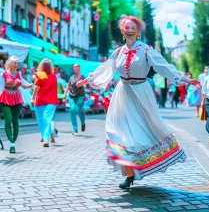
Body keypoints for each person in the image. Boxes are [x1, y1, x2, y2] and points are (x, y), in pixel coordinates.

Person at [76, 15, 200, 189]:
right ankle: (129, 174)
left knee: (143, 130)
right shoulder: (118, 52)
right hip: (122, 92)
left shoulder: (146, 50)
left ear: (138, 31)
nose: (129, 29)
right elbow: (105, 68)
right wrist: (87, 80)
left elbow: (164, 67)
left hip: (140, 92)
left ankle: (146, 163)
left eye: (133, 27)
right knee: (117, 131)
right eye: (126, 26)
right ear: (122, 30)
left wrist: (186, 80)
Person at [0, 56, 32, 153]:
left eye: (18, 63)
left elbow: (23, 84)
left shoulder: (18, 74)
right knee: (8, 119)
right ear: (9, 63)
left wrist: (31, 86)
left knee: (15, 121)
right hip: (5, 97)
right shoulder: (4, 74)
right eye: (14, 62)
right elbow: (1, 86)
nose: (16, 64)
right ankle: (11, 143)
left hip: (16, 98)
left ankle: (12, 142)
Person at [31, 59, 58, 147]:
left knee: (42, 120)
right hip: (51, 101)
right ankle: (50, 134)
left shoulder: (40, 75)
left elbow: (36, 88)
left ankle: (46, 138)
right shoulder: (54, 76)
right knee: (46, 119)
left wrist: (32, 98)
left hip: (41, 101)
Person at [63, 64, 86, 135]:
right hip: (71, 96)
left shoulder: (82, 77)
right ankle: (74, 128)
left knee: (77, 109)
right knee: (72, 110)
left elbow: (85, 83)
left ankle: (83, 122)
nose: (75, 68)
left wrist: (81, 84)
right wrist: (65, 94)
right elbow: (68, 86)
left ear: (79, 68)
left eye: (77, 67)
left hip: (80, 96)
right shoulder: (71, 77)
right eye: (74, 67)